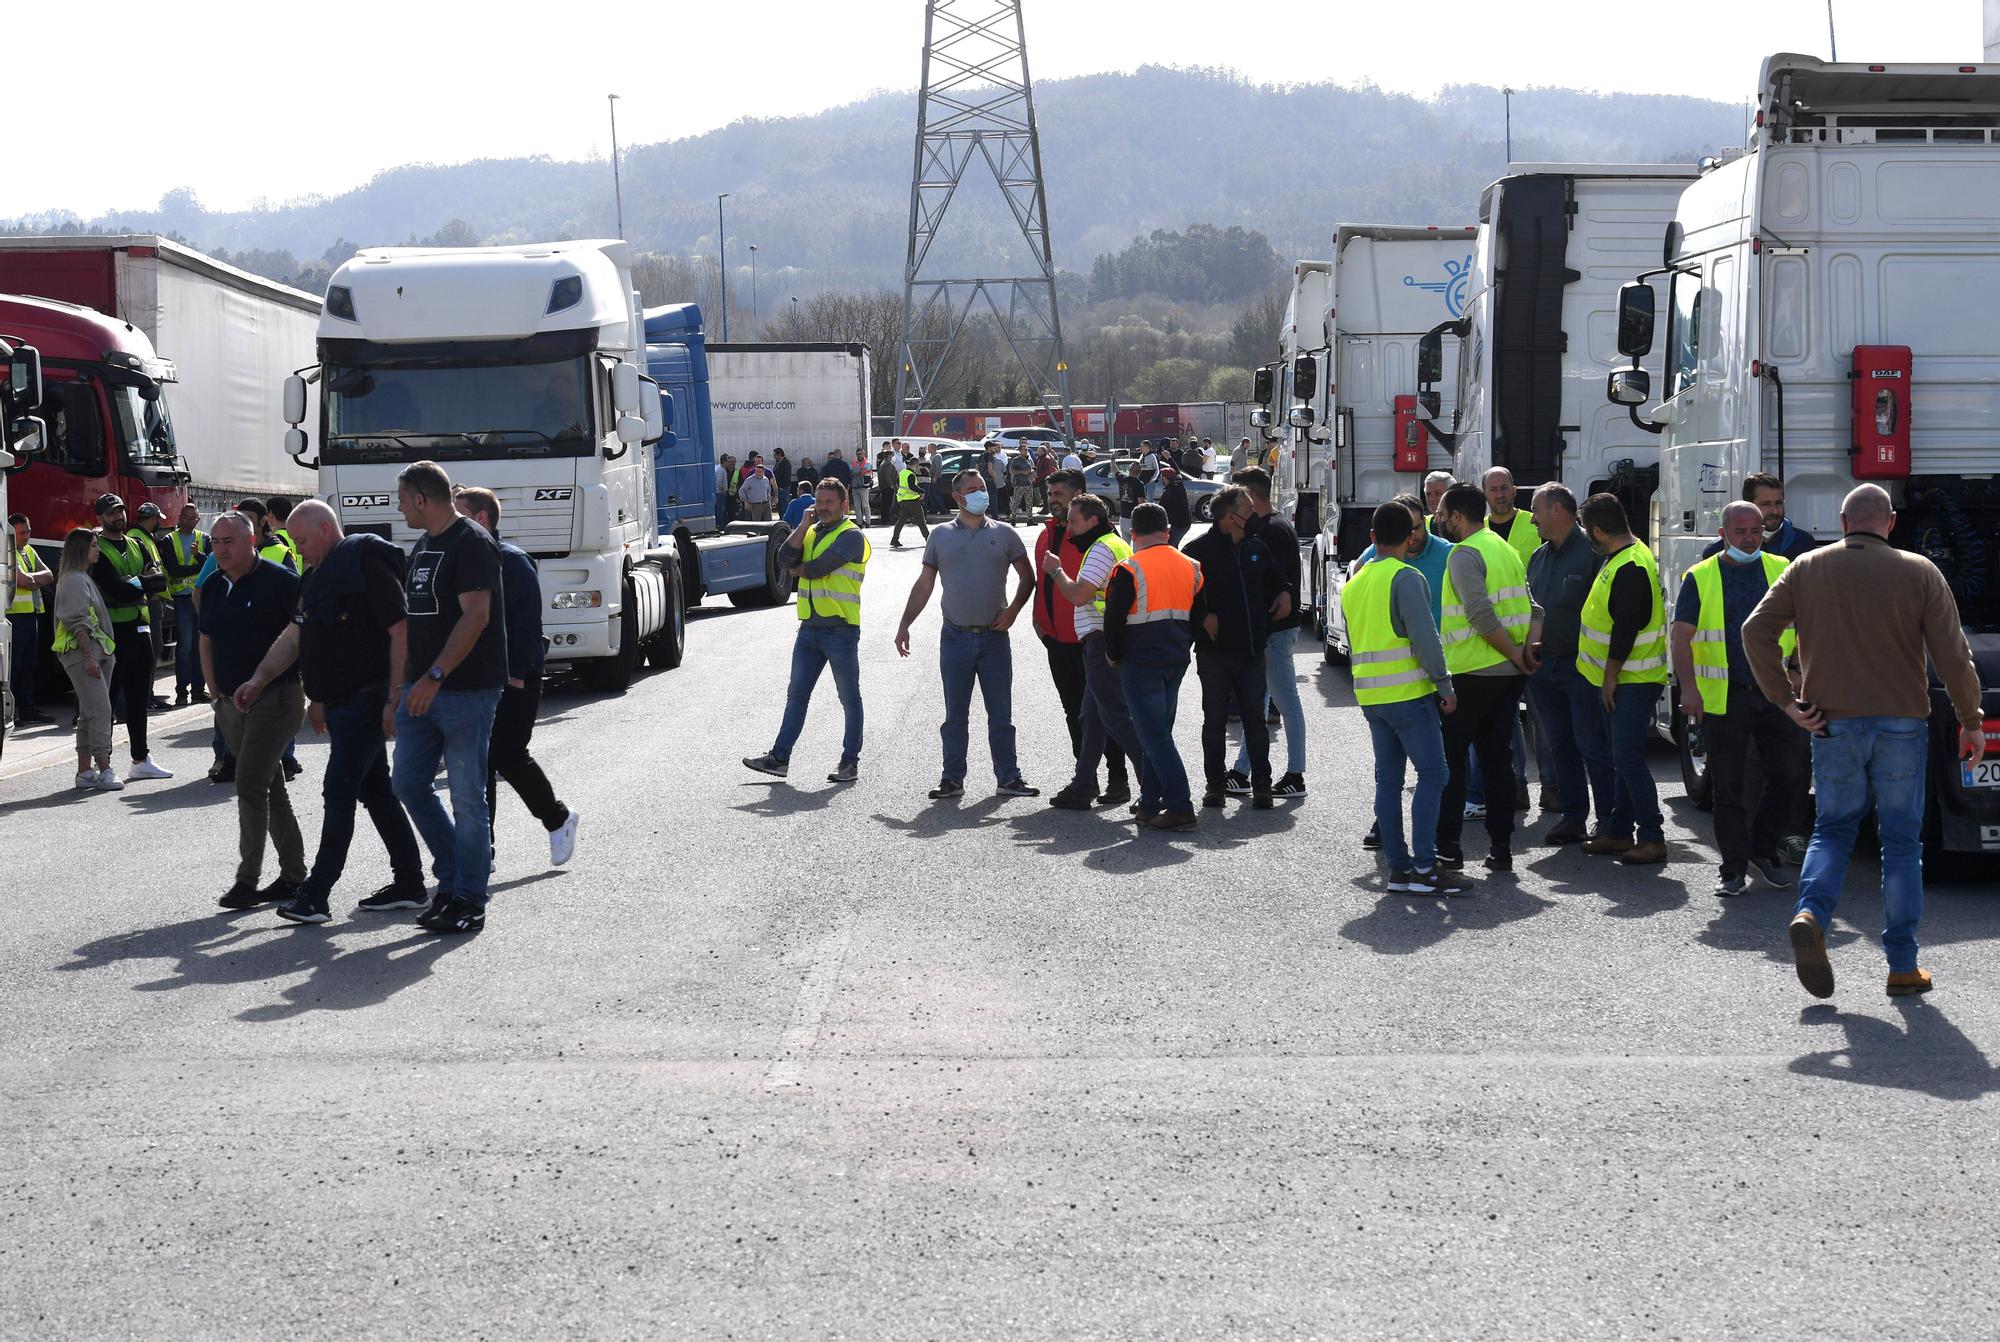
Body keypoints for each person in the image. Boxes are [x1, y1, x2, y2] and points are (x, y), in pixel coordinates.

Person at [1746, 483, 1987, 1001]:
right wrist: (1970, 720)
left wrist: (1786, 701)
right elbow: (1953, 655)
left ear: (1842, 519)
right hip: (1901, 722)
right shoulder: (1920, 571)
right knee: (1901, 844)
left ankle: (1811, 913)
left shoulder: (1807, 566)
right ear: (1892, 522)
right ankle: (1902, 966)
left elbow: (1755, 630)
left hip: (1830, 721)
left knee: (1831, 829)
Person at [227, 501, 429, 925]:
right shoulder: (315, 577)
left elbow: (400, 630)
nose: (298, 550)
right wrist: (259, 680)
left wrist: (395, 697)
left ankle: (316, 894)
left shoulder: (366, 565)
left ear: (324, 528)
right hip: (340, 702)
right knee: (375, 791)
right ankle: (410, 884)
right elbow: (298, 636)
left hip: (367, 697)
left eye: (301, 541)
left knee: (338, 792)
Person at [390, 460, 509, 935]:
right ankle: (452, 880)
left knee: (466, 797)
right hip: (420, 690)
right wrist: (403, 684)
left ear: (421, 499)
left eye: (402, 499)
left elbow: (475, 616)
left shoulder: (471, 542)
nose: (398, 508)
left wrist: (435, 675)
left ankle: (469, 898)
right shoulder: (423, 544)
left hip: (464, 690)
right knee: (408, 784)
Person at [1670, 501, 1807, 898]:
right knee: (1727, 788)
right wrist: (1690, 690)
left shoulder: (1781, 569)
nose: (1749, 538)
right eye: (1741, 531)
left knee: (1788, 777)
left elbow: (1803, 625)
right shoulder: (1701, 576)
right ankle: (1732, 868)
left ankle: (1761, 851)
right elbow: (1682, 637)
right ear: (1723, 535)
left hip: (1776, 693)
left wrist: (1797, 667)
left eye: (1756, 530)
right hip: (1724, 697)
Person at [1344, 502, 1467, 894]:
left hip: (1370, 695)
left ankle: (1398, 869)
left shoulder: (1355, 582)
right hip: (1409, 695)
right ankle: (1426, 868)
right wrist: (1444, 686)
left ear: (1372, 537)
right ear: (1411, 536)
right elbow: (1427, 641)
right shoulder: (1407, 577)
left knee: (1389, 781)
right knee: (1434, 775)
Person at [455, 487, 581, 872]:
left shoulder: (511, 561)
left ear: (481, 518)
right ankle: (481, 849)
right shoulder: (459, 560)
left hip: (515, 678)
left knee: (506, 755)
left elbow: (527, 625)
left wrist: (515, 675)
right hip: (474, 680)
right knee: (478, 762)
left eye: (458, 515)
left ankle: (558, 818)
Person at [895, 470, 1039, 800]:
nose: (980, 495)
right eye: (972, 490)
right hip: (955, 637)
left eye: (983, 489)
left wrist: (1014, 609)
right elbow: (924, 584)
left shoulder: (1005, 534)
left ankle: (1008, 777)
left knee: (1001, 715)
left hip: (993, 639)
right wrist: (905, 624)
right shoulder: (941, 535)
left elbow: (1027, 578)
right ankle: (952, 779)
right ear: (958, 497)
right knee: (955, 717)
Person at [201, 512, 307, 909]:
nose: (221, 549)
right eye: (215, 542)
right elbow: (205, 640)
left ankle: (247, 881)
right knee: (270, 787)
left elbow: (301, 639)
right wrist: (214, 694)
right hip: (230, 704)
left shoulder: (282, 583)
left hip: (276, 698)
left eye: (229, 541)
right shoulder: (212, 585)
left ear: (251, 540)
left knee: (248, 783)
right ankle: (295, 875)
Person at [1432, 484, 1539, 872]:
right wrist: (1526, 653)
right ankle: (1501, 848)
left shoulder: (1464, 553)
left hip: (1471, 673)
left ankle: (1448, 848)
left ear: (1458, 517)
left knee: (1452, 762)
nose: (1440, 521)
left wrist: (1515, 653)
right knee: (1498, 760)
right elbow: (1533, 607)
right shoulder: (1503, 547)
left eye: (1443, 515)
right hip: (1508, 676)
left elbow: (1479, 615)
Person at [744, 479, 870, 783]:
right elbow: (783, 558)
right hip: (809, 628)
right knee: (796, 695)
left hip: (840, 629)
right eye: (819, 501)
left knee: (848, 698)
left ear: (845, 505)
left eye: (829, 502)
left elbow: (818, 568)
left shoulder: (852, 536)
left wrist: (798, 569)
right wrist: (802, 526)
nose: (823, 508)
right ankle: (779, 758)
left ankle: (849, 762)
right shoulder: (812, 531)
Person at [1574, 492, 1669, 866]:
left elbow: (1627, 627)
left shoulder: (1630, 566)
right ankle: (1617, 831)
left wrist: (1610, 677)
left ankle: (1652, 835)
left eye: (1587, 531)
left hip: (1632, 678)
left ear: (1598, 530)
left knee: (1627, 757)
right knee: (1622, 755)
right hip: (1627, 677)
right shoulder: (1627, 556)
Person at [1042, 493, 1147, 812]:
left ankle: (1156, 782)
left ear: (1093, 521)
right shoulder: (1113, 543)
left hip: (1102, 640)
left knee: (1115, 717)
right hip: (1105, 639)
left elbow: (1078, 595)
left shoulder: (1101, 548)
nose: (1069, 528)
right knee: (1092, 717)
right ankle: (1083, 782)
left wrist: (1056, 572)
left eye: (1074, 521)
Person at [1103, 502, 1204, 830]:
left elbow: (1114, 619)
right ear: (1168, 531)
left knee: (1154, 736)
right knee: (1157, 733)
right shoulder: (1192, 566)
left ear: (1133, 534)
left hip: (1140, 658)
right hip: (1176, 656)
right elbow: (1199, 616)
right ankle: (1149, 804)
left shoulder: (1128, 568)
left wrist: (1113, 654)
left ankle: (1179, 806)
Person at [1523, 483, 1612, 846]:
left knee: (1593, 745)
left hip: (1583, 668)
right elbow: (1534, 611)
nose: (1532, 518)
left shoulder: (1594, 554)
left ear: (1558, 511)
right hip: (1545, 668)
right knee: (1561, 745)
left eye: (1536, 510)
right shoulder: (1538, 558)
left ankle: (1609, 821)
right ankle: (1574, 817)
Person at [1183, 486, 1278, 809]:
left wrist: (1286, 592)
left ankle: (1261, 784)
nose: (1253, 517)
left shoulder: (1257, 548)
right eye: (1248, 512)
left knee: (1256, 721)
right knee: (1215, 721)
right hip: (1214, 655)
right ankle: (1215, 785)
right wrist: (1202, 618)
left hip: (1252, 652)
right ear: (1231, 518)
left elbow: (1275, 582)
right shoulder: (1197, 551)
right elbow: (1184, 599)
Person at [1224, 467, 1307, 799]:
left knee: (1286, 703)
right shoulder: (1271, 525)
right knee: (1256, 704)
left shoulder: (1272, 530)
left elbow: (1274, 589)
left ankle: (1296, 774)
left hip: (1274, 633)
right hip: (1270, 633)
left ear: (1249, 495)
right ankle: (1243, 770)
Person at [89, 494, 171, 781]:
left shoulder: (137, 544)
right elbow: (114, 590)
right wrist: (141, 581)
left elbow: (160, 581)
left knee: (139, 698)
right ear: (100, 518)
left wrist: (134, 582)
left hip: (141, 626)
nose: (119, 516)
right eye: (112, 513)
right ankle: (104, 763)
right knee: (108, 701)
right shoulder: (98, 549)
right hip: (113, 631)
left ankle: (140, 758)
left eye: (121, 510)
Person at [51, 528, 120, 790]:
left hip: (96, 652)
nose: (98, 550)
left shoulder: (79, 578)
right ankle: (105, 769)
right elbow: (77, 621)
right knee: (101, 711)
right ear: (81, 549)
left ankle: (84, 772)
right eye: (93, 546)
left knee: (89, 714)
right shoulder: (75, 580)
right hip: (85, 655)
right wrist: (89, 657)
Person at [157, 503, 209, 706]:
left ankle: (198, 690)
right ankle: (181, 692)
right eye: (184, 517)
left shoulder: (205, 539)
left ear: (198, 518)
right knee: (185, 646)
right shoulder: (170, 540)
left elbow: (211, 563)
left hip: (202, 598)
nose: (188, 520)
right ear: (179, 518)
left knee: (200, 645)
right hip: (182, 599)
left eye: (192, 517)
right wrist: (199, 565)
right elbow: (174, 570)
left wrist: (199, 558)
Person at [1704, 472, 1819, 562]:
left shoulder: (1803, 542)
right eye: (1766, 504)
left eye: (1778, 503)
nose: (1775, 511)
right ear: (1748, 505)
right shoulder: (1718, 549)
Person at [8, 512, 54, 725]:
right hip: (13, 618)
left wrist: (31, 580)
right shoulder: (8, 551)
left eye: (29, 531)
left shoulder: (28, 551)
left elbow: (49, 574)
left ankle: (27, 708)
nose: (27, 536)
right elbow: (24, 581)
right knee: (14, 667)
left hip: (30, 616)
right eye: (22, 532)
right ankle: (13, 711)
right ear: (11, 533)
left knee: (29, 665)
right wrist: (34, 580)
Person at [890, 456, 930, 548]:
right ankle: (928, 539)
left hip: (902, 500)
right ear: (915, 465)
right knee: (921, 521)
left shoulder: (903, 472)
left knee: (901, 521)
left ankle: (894, 540)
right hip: (912, 501)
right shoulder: (911, 475)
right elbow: (912, 486)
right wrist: (922, 491)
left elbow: (897, 483)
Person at [1159, 465, 1193, 547]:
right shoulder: (1180, 485)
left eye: (1161, 477)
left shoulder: (1167, 494)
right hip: (1186, 523)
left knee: (1170, 547)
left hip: (1178, 526)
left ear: (1165, 478)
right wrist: (1169, 458)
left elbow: (1160, 513)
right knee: (1173, 545)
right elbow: (1178, 471)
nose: (1160, 479)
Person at [738, 456, 775, 521]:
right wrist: (746, 502)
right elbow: (742, 491)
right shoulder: (749, 480)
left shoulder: (766, 479)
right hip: (755, 505)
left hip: (766, 504)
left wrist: (769, 501)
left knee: (768, 522)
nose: (758, 473)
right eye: (756, 471)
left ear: (763, 472)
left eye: (760, 471)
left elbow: (768, 490)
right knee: (757, 523)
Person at [1007, 447, 1036, 521]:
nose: (1026, 451)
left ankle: (1030, 519)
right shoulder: (1016, 460)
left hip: (1028, 483)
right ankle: (1013, 518)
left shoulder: (1028, 459)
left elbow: (1031, 469)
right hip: (1019, 484)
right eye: (1024, 450)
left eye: (1026, 450)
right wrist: (1022, 472)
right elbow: (1011, 471)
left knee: (1029, 502)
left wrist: (1032, 472)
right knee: (1016, 502)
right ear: (1020, 451)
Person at [851, 446, 875, 527]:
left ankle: (868, 522)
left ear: (863, 454)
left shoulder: (867, 463)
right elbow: (853, 473)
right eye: (858, 454)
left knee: (865, 505)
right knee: (857, 506)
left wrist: (856, 472)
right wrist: (858, 472)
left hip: (863, 487)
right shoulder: (854, 462)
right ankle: (859, 522)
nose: (859, 455)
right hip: (855, 487)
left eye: (861, 454)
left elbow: (861, 472)